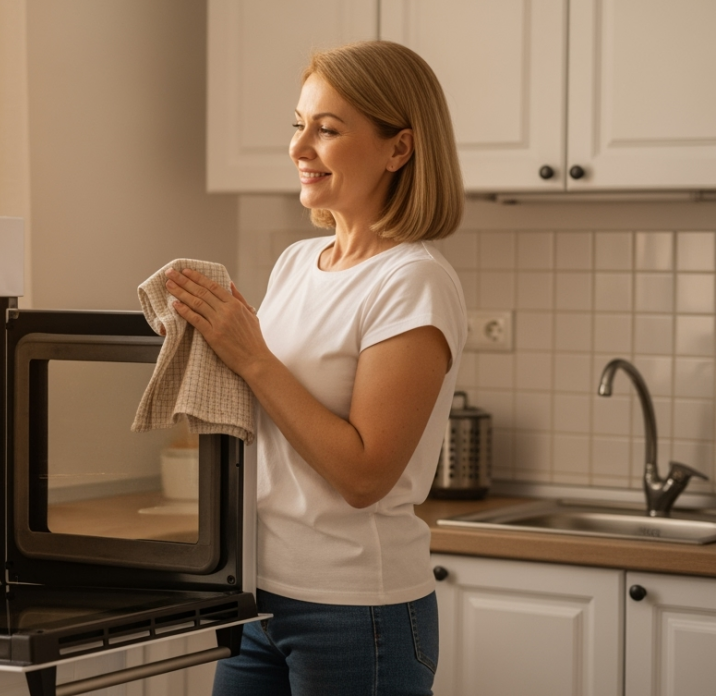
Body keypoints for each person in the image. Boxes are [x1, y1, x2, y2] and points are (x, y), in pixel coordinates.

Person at [164, 41, 467, 695]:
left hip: (359, 611)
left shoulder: (412, 281)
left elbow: (363, 475)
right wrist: (206, 345)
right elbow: (269, 404)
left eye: (327, 130)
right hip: (257, 596)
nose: (300, 148)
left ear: (399, 149)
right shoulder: (298, 263)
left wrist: (252, 355)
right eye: (299, 125)